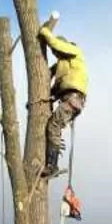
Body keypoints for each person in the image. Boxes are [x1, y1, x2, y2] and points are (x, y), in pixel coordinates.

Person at [39, 25, 88, 178]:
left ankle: (52, 166)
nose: (56, 54)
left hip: (73, 98)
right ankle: (52, 158)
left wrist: (45, 32)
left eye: (57, 52)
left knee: (53, 126)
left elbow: (56, 43)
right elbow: (56, 87)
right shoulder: (64, 66)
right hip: (69, 99)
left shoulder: (74, 52)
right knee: (55, 126)